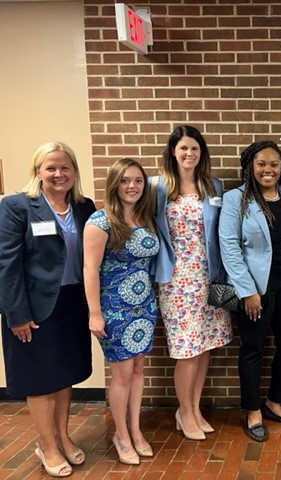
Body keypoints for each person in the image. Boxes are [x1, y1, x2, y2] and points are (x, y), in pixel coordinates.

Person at [0, 142, 95, 478]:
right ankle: (47, 445)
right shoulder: (17, 206)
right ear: (37, 171)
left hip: (72, 304)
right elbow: (7, 264)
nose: (58, 174)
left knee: (64, 374)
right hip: (34, 309)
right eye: (51, 167)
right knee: (40, 380)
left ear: (74, 172)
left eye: (65, 167)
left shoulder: (85, 208)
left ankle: (63, 436)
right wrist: (16, 313)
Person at [219, 140, 281, 442]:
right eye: (261, 163)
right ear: (250, 167)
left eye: (274, 164)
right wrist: (247, 290)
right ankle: (253, 411)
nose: (268, 169)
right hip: (256, 288)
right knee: (252, 348)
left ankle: (275, 401)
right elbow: (229, 246)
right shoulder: (237, 199)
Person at [154, 125, 233, 441]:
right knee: (186, 350)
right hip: (176, 280)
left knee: (204, 347)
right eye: (184, 148)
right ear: (173, 151)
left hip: (209, 277)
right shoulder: (157, 188)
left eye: (195, 149)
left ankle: (194, 408)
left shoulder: (213, 187)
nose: (189, 154)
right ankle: (183, 411)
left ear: (202, 153)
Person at [83, 158, 159, 465]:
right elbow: (90, 269)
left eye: (138, 181)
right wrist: (95, 313)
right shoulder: (99, 222)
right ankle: (121, 435)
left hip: (144, 305)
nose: (132, 186)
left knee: (138, 368)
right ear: (114, 184)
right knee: (123, 374)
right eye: (125, 180)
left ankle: (136, 430)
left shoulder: (145, 218)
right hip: (114, 309)